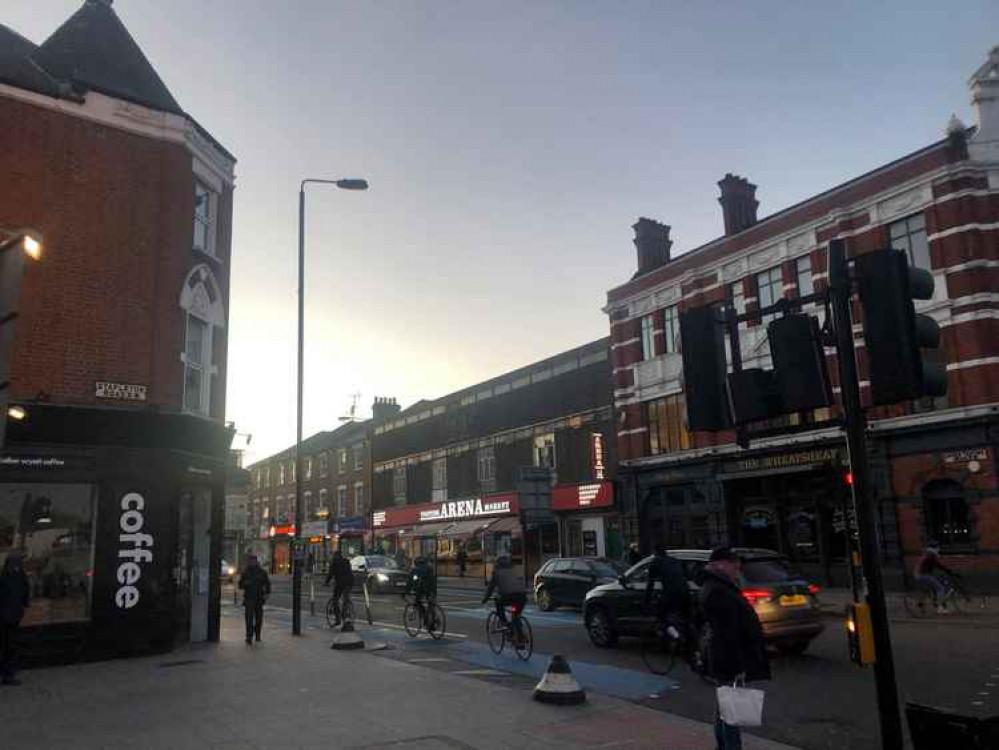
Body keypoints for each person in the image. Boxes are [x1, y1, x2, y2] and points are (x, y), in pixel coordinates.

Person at [700, 547, 770, 750]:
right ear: (720, 564)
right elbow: (727, 632)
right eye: (733, 563)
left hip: (726, 656)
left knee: (725, 707)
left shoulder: (722, 586)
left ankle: (724, 746)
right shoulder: (718, 590)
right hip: (728, 658)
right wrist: (738, 664)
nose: (737, 567)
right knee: (730, 712)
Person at [643, 544, 693, 645]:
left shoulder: (656, 561)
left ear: (655, 552)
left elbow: (650, 584)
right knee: (686, 617)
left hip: (671, 592)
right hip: (685, 591)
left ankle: (676, 637)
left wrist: (646, 601)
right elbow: (685, 575)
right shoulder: (675, 560)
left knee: (662, 618)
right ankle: (690, 639)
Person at [0, 554, 30, 686]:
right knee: (10, 646)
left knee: (7, 646)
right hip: (12, 617)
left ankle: (7, 674)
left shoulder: (4, 576)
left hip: (7, 617)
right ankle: (8, 674)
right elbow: (25, 594)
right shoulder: (20, 576)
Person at [482, 555, 526, 632]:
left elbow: (490, 588)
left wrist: (485, 599)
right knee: (516, 615)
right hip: (522, 596)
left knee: (498, 604)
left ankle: (505, 623)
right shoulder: (514, 570)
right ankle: (519, 635)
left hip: (509, 596)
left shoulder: (497, 572)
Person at [914, 541, 956, 613]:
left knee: (936, 583)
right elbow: (937, 565)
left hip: (921, 574)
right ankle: (940, 608)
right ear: (933, 548)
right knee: (941, 588)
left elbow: (934, 565)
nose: (938, 549)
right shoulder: (931, 555)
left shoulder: (928, 554)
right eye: (937, 547)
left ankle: (925, 602)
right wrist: (948, 570)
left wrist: (945, 570)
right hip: (924, 575)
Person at [238, 554, 271, 645]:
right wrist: (246, 583)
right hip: (249, 598)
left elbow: (267, 583)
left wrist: (267, 593)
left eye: (254, 561)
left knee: (259, 618)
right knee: (249, 618)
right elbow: (240, 585)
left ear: (256, 562)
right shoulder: (246, 572)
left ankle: (257, 635)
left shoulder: (261, 572)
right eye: (251, 561)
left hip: (259, 598)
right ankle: (249, 636)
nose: (252, 562)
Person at [403, 556, 438, 624]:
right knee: (431, 603)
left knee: (418, 602)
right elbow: (432, 579)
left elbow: (411, 582)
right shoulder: (430, 568)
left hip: (422, 589)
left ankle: (425, 619)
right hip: (432, 588)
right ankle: (433, 621)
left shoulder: (415, 570)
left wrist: (405, 592)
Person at [324, 549, 354, 625]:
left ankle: (338, 619)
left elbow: (330, 574)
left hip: (340, 584)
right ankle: (346, 613)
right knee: (345, 598)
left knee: (335, 600)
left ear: (335, 556)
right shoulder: (346, 561)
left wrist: (326, 583)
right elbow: (350, 571)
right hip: (349, 582)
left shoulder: (334, 563)